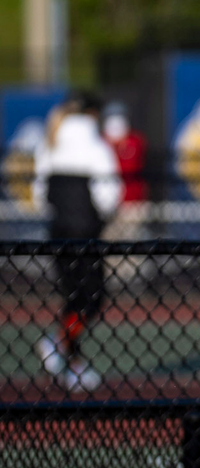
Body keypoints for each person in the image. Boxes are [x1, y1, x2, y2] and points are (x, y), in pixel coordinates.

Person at [32, 90, 123, 393]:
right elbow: (109, 195)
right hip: (86, 234)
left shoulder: (50, 144)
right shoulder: (96, 147)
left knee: (74, 297)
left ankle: (65, 354)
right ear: (93, 115)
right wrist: (100, 216)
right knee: (91, 297)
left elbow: (39, 195)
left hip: (58, 233)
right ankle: (66, 354)